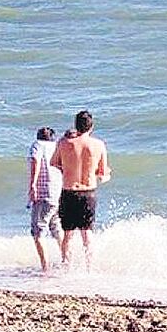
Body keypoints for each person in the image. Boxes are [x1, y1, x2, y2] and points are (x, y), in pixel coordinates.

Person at [50, 110, 111, 269]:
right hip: (88, 192)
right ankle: (89, 268)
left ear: (76, 126)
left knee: (68, 234)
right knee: (87, 233)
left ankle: (66, 267)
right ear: (91, 127)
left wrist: (68, 168)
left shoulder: (64, 143)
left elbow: (54, 162)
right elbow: (102, 172)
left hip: (69, 191)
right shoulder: (98, 145)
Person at [27, 126, 62, 272]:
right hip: (57, 192)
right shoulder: (57, 147)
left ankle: (45, 267)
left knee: (38, 231)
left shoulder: (37, 145)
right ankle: (67, 260)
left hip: (43, 193)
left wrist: (33, 185)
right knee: (56, 228)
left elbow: (35, 162)